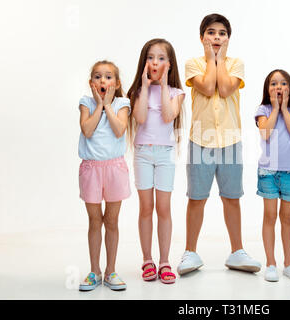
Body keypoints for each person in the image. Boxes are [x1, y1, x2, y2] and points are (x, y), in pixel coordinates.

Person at [177, 13, 261, 275]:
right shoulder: (193, 64)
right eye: (211, 32)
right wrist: (211, 59)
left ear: (228, 38)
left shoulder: (236, 64)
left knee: (231, 198)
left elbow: (224, 89)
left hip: (230, 141)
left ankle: (237, 251)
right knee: (196, 198)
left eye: (222, 33)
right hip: (200, 140)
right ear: (202, 37)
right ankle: (190, 252)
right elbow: (207, 86)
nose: (216, 37)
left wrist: (221, 59)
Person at [127, 39, 185, 284]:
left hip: (164, 155)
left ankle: (164, 261)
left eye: (161, 58)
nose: (155, 62)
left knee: (163, 208)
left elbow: (168, 115)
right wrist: (143, 85)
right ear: (144, 62)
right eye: (151, 57)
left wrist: (161, 86)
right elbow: (140, 118)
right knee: (146, 208)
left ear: (169, 65)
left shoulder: (176, 93)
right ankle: (147, 259)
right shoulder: (137, 92)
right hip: (142, 153)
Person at [78, 60, 130, 291]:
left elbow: (120, 130)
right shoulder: (86, 103)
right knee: (94, 221)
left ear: (116, 83)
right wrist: (99, 105)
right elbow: (87, 130)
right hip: (91, 169)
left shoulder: (122, 103)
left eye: (108, 77)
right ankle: (94, 271)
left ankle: (110, 271)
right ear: (91, 83)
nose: (103, 81)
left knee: (111, 221)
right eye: (98, 77)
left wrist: (108, 105)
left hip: (115, 169)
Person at [255, 70, 290, 282]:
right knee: (269, 216)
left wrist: (284, 108)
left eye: (283, 83)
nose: (278, 86)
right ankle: (270, 263)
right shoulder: (263, 109)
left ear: (289, 88)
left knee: (287, 218)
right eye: (274, 83)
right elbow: (266, 133)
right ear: (268, 89)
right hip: (268, 171)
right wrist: (275, 108)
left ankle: (288, 263)